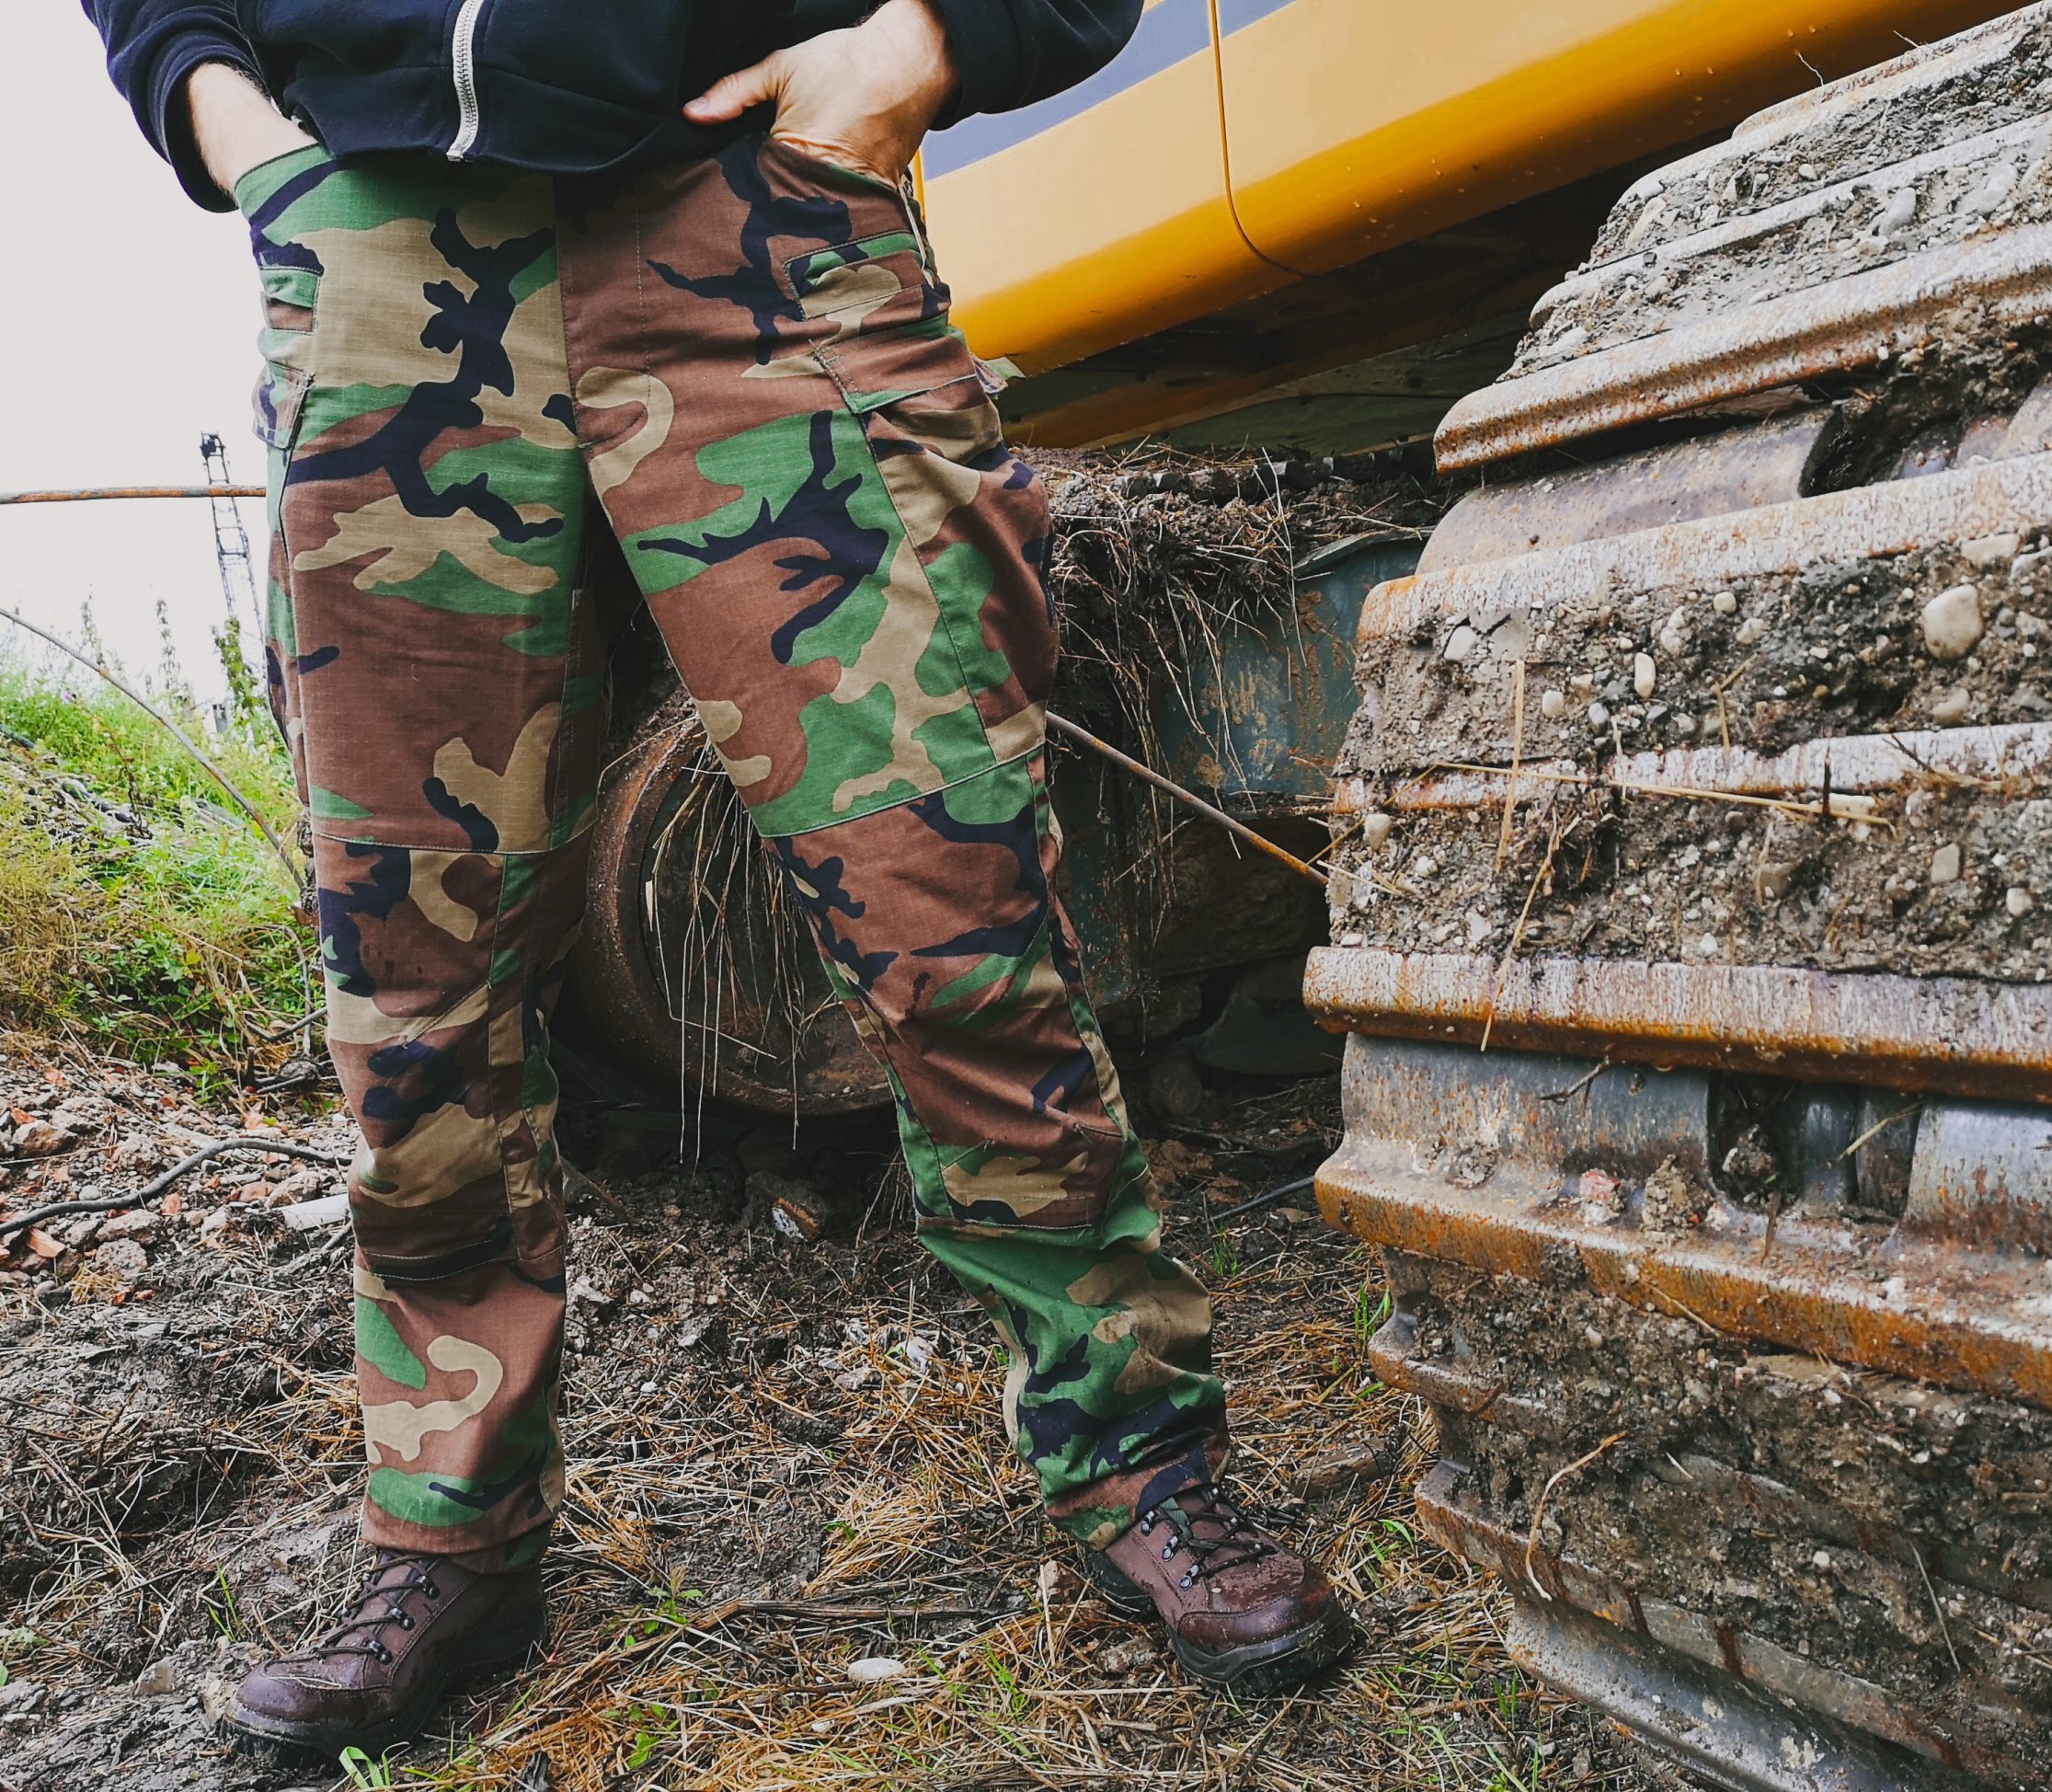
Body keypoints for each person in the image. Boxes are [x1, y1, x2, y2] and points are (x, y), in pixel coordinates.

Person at [82, 0, 1358, 1759]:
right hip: (382, 243)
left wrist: (926, 39)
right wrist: (231, 121)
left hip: (753, 217)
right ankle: (451, 1539)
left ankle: (1140, 1457)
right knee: (414, 975)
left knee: (955, 904)